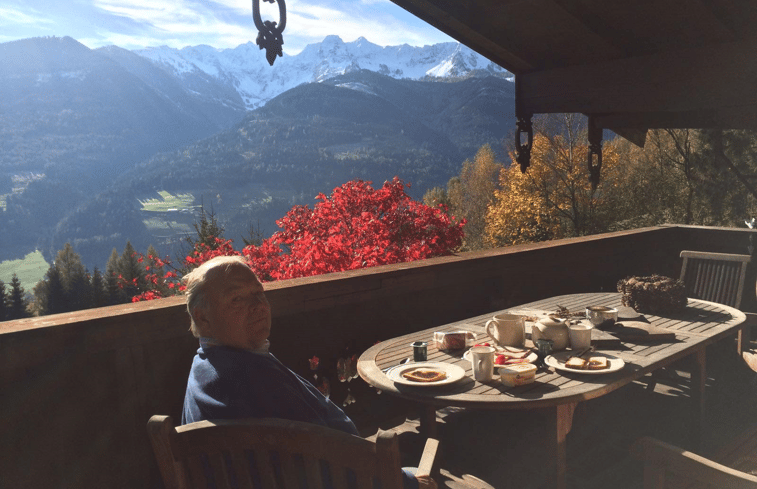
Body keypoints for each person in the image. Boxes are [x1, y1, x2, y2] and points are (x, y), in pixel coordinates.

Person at [181, 255, 436, 489]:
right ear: (202, 318)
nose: (259, 305)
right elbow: (332, 464)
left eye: (260, 292)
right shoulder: (256, 381)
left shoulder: (204, 371)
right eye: (237, 298)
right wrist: (405, 482)